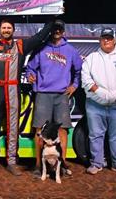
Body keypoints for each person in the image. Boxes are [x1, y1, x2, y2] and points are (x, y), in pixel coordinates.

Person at [0, 17, 54, 176]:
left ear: (13, 30)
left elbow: (40, 37)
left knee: (12, 128)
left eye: (9, 28)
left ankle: (12, 162)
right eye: (4, 28)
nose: (6, 30)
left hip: (12, 89)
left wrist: (52, 19)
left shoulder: (21, 45)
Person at [26, 19, 83, 177]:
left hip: (61, 95)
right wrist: (30, 76)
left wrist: (74, 85)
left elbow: (79, 71)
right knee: (39, 131)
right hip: (43, 94)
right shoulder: (41, 48)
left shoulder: (70, 50)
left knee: (62, 130)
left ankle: (63, 164)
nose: (57, 31)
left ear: (63, 31)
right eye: (54, 28)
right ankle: (38, 165)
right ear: (50, 30)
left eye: (59, 29)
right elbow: (30, 68)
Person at [81, 27, 116, 177]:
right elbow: (85, 79)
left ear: (114, 40)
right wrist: (101, 92)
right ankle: (96, 164)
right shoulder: (92, 58)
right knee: (95, 135)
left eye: (109, 38)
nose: (107, 40)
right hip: (95, 105)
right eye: (104, 38)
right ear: (100, 40)